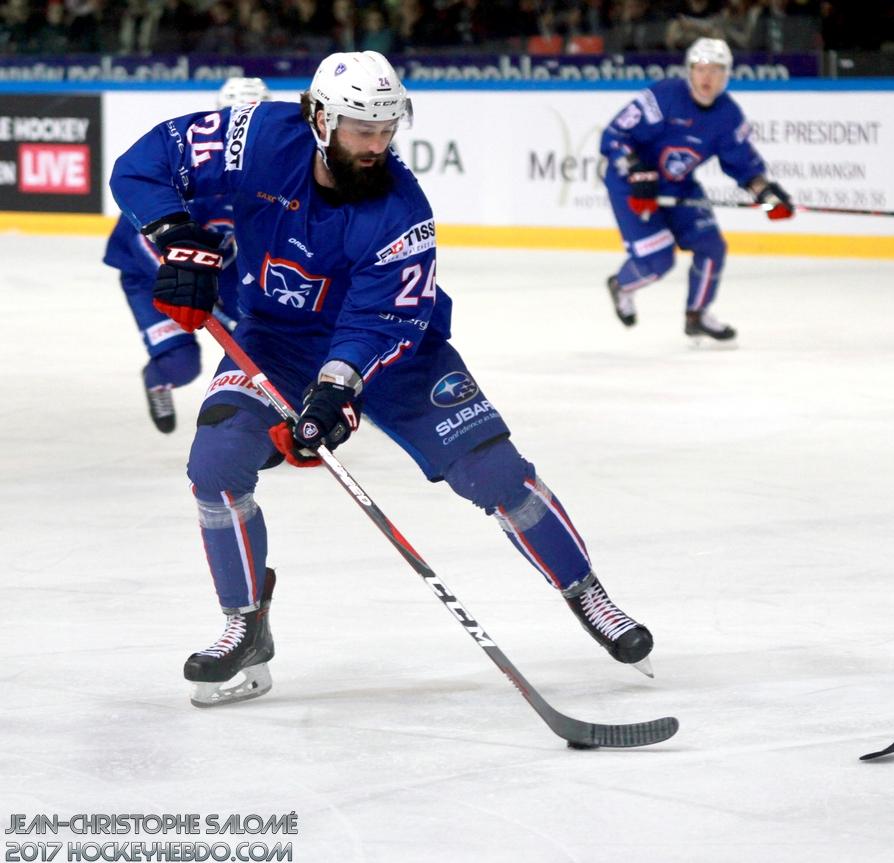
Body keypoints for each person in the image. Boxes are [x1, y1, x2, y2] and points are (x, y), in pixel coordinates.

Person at [109, 51, 653, 707]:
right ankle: (245, 622)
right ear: (317, 118)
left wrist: (337, 390)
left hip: (394, 354)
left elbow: (381, 321)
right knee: (215, 465)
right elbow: (142, 165)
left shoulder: (400, 210)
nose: (376, 145)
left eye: (386, 129)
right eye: (361, 130)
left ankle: (582, 587)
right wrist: (176, 235)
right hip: (276, 341)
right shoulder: (255, 138)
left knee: (498, 473)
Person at [104, 77, 271, 432]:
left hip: (220, 265)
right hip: (153, 272)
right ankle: (157, 379)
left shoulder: (276, 169)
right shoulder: (193, 165)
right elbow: (142, 241)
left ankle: (256, 421)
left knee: (264, 340)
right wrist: (183, 277)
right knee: (182, 363)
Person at [601, 37, 794, 342]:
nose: (707, 77)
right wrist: (636, 169)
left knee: (712, 247)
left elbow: (745, 166)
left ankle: (697, 314)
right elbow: (615, 134)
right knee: (658, 261)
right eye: (701, 69)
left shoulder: (728, 115)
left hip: (678, 186)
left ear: (727, 74)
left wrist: (765, 193)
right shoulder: (664, 96)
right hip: (632, 186)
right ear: (689, 71)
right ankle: (621, 286)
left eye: (716, 70)